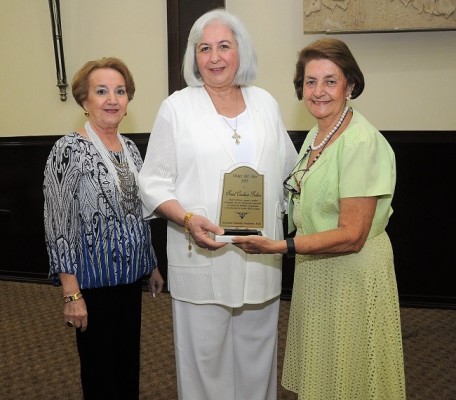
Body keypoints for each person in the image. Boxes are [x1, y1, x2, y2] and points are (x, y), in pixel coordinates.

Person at [233, 38, 406, 399]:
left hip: (352, 275)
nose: (319, 91)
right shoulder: (318, 133)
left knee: (352, 376)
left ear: (350, 85)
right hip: (317, 270)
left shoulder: (360, 142)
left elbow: (352, 235)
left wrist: (281, 245)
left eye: (330, 80)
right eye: (310, 82)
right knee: (326, 374)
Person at [138, 9, 297, 400]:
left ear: (240, 51)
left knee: (258, 359)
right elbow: (153, 181)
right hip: (200, 255)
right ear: (194, 57)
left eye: (224, 46)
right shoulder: (176, 108)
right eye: (203, 48)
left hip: (259, 254)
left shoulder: (265, 104)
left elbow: (289, 171)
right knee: (203, 362)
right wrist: (188, 218)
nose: (214, 57)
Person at [43, 57, 164, 400]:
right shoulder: (67, 150)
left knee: (127, 366)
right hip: (92, 285)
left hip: (128, 279)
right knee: (99, 374)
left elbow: (137, 211)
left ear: (128, 101)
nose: (112, 99)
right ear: (85, 100)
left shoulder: (130, 149)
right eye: (102, 91)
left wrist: (150, 262)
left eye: (120, 91)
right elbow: (58, 224)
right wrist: (71, 293)